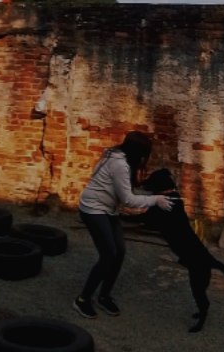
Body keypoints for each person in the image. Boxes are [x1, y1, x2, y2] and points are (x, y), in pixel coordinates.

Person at [73, 131, 173, 319]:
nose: (145, 159)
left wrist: (155, 193)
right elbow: (128, 200)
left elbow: (126, 190)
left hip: (108, 209)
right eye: (144, 154)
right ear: (137, 152)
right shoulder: (119, 164)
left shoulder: (119, 156)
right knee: (108, 254)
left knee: (119, 252)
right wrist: (155, 200)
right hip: (93, 209)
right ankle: (82, 299)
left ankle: (104, 296)